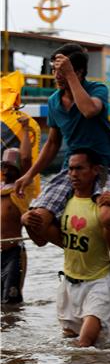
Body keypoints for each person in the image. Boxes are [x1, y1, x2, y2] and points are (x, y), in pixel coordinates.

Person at [13, 43, 110, 298]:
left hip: (103, 166)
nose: (56, 76)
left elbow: (89, 110)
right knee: (36, 222)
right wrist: (30, 174)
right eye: (55, 69)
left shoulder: (96, 89)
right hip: (73, 167)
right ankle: (79, 250)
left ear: (78, 72)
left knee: (109, 216)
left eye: (62, 71)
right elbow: (53, 143)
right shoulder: (54, 100)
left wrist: (71, 77)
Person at [36, 149, 110, 347]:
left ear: (94, 171)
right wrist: (30, 221)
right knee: (70, 348)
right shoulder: (64, 203)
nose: (74, 174)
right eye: (71, 169)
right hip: (69, 284)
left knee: (84, 345)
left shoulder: (103, 205)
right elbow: (44, 239)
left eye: (80, 168)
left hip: (99, 283)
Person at [1, 117, 32, 306]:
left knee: (11, 303)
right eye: (3, 166)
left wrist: (26, 129)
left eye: (9, 166)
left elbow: (27, 159)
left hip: (13, 254)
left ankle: (14, 332)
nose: (5, 169)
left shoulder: (22, 189)